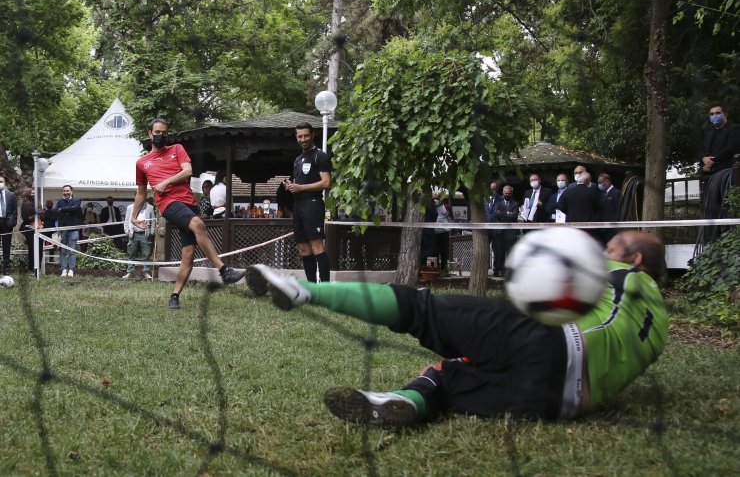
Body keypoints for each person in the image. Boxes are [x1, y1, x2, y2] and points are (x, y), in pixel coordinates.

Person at [246, 230, 668, 426]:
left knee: (421, 308)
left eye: (611, 247)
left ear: (633, 260)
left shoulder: (625, 277)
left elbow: (563, 279)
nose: (602, 249)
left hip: (552, 342)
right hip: (558, 402)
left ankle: (303, 290)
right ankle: (404, 401)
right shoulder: (659, 327)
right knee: (450, 375)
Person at [131, 117, 245, 309]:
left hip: (189, 203)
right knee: (199, 224)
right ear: (150, 134)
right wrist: (134, 217)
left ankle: (174, 296)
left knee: (189, 254)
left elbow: (187, 172)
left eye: (164, 133)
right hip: (168, 204)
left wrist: (166, 182)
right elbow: (141, 192)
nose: (161, 136)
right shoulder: (142, 163)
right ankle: (224, 271)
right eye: (157, 133)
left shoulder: (177, 149)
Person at [283, 122, 332, 283]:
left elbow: (326, 183)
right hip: (298, 206)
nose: (303, 139)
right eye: (300, 136)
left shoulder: (320, 155)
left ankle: (325, 289)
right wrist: (292, 187)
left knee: (317, 245)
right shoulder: (297, 160)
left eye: (306, 135)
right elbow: (299, 184)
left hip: (313, 204)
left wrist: (301, 187)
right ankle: (312, 288)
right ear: (296, 138)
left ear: (312, 135)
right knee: (303, 248)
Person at [700, 105, 740, 176]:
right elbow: (703, 151)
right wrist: (704, 159)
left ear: (725, 115)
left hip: (727, 174)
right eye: (712, 114)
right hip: (709, 175)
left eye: (717, 113)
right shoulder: (709, 134)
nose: (714, 115)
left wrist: (713, 160)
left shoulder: (734, 128)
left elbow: (731, 148)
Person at [122, 197, 156, 280]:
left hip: (145, 234)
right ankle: (130, 272)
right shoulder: (130, 207)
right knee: (131, 253)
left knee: (146, 254)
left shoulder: (150, 207)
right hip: (133, 234)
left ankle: (146, 272)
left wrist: (152, 231)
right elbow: (126, 220)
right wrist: (127, 231)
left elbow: (153, 220)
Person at [53, 184, 83, 277]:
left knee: (72, 251)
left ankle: (71, 270)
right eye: (64, 191)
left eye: (67, 191)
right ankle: (64, 269)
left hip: (73, 229)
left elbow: (76, 208)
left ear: (71, 192)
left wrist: (62, 209)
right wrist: (67, 210)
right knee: (62, 251)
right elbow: (56, 211)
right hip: (62, 230)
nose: (65, 192)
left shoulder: (77, 201)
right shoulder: (60, 202)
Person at [491, 185, 518, 276]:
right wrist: (507, 213)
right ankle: (498, 270)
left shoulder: (515, 204)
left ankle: (509, 272)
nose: (507, 195)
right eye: (505, 193)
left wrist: (502, 214)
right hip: (499, 232)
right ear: (503, 193)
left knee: (510, 252)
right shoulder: (498, 203)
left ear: (512, 193)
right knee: (498, 252)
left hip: (510, 232)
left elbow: (514, 216)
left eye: (509, 193)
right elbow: (496, 213)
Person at [19, 188, 41, 272]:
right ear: (28, 193)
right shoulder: (25, 204)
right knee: (32, 249)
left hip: (39, 228)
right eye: (32, 193)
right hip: (29, 229)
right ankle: (31, 268)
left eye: (35, 193)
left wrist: (40, 213)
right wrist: (36, 214)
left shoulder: (37, 203)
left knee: (39, 249)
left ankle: (38, 267)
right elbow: (25, 218)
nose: (34, 195)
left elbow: (41, 213)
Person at [432, 191, 454, 274]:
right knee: (435, 252)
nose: (435, 201)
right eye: (434, 199)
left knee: (444, 252)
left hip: (444, 232)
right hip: (434, 232)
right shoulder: (431, 206)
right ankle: (436, 270)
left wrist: (451, 227)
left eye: (437, 199)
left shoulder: (446, 207)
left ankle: (444, 269)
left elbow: (451, 217)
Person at [0, 174, 18, 275]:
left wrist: (13, 221)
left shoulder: (11, 195)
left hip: (7, 223)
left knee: (6, 246)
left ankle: (6, 269)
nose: (0, 184)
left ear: (4, 183)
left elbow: (15, 210)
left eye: (1, 182)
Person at [597, 173, 621, 244]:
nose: (599, 185)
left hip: (611, 228)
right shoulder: (602, 194)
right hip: (602, 228)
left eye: (600, 182)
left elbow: (618, 209)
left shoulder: (616, 193)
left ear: (607, 181)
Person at [483, 182, 501, 271]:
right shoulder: (484, 199)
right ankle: (484, 268)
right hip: (486, 228)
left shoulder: (501, 200)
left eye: (494, 189)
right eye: (491, 189)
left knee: (496, 249)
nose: (493, 191)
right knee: (485, 248)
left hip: (496, 228)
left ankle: (496, 269)